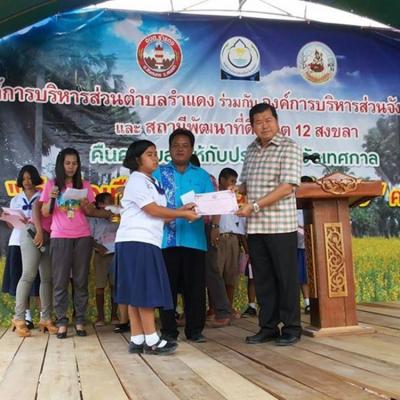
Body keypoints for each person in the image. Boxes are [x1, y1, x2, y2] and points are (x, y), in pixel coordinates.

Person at [114, 140, 198, 355]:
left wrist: (181, 209)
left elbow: (161, 214)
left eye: (155, 153)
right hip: (137, 240)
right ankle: (152, 338)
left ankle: (137, 338)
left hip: (143, 240)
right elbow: (152, 210)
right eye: (149, 154)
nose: (155, 158)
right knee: (144, 290)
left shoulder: (150, 181)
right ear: (137, 160)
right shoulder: (137, 180)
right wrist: (182, 213)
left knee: (136, 291)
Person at [237, 103, 302, 346]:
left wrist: (254, 205)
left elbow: (287, 187)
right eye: (258, 122)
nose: (264, 126)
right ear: (251, 126)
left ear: (277, 121)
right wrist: (235, 189)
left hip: (280, 226)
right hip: (255, 227)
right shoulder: (251, 150)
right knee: (263, 280)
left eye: (268, 120)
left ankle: (292, 327)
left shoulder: (289, 147)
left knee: (285, 278)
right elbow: (246, 183)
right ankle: (268, 327)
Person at [153, 128, 217, 343]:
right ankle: (168, 331)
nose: (180, 149)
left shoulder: (202, 175)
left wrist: (206, 212)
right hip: (166, 240)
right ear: (169, 149)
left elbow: (211, 205)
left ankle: (195, 330)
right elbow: (151, 205)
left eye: (185, 146)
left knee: (195, 288)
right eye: (176, 146)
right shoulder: (158, 173)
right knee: (167, 288)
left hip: (194, 240)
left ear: (192, 149)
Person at [40, 148, 112, 339]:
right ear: (61, 164)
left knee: (80, 281)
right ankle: (62, 322)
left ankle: (80, 320)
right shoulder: (52, 184)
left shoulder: (85, 185)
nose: (71, 167)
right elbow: (45, 212)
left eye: (74, 163)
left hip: (82, 236)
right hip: (60, 236)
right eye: (68, 163)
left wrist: (87, 206)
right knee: (60, 281)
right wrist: (52, 198)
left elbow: (90, 212)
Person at [13, 166, 58, 337]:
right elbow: (35, 208)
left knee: (47, 278)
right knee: (28, 275)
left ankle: (46, 318)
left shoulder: (64, 196)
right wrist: (39, 231)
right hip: (33, 232)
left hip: (49, 237)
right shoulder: (45, 192)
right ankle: (19, 318)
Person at [1, 165, 41, 335]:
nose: (27, 181)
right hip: (17, 241)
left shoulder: (42, 197)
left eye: (30, 178)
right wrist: (10, 219)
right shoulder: (16, 199)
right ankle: (26, 317)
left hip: (37, 240)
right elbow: (11, 225)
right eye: (24, 178)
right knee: (21, 279)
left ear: (35, 178)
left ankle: (44, 316)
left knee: (39, 279)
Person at [215, 168, 247, 318]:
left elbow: (240, 222)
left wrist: (244, 244)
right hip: (218, 239)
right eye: (232, 181)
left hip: (234, 239)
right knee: (216, 275)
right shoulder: (214, 197)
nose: (234, 185)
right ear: (222, 180)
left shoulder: (236, 199)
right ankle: (214, 309)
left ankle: (228, 307)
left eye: (236, 181)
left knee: (231, 275)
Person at [89, 192, 119, 326]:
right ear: (100, 204)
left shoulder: (117, 217)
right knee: (100, 285)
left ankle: (114, 315)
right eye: (109, 201)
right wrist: (98, 247)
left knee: (115, 285)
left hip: (115, 254)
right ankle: (100, 317)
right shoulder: (94, 218)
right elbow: (89, 236)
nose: (112, 204)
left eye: (113, 201)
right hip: (100, 254)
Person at [297, 176, 313, 314]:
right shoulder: (294, 205)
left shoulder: (317, 204)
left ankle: (317, 301)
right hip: (300, 246)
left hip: (315, 247)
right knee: (303, 276)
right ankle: (308, 303)